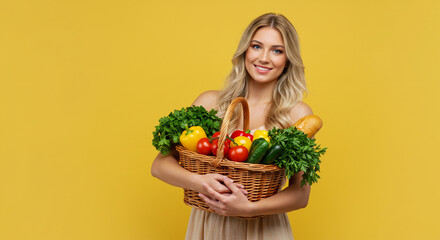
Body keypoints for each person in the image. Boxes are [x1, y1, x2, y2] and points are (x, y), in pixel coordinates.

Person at [151, 13, 313, 240]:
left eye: (277, 50)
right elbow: (159, 165)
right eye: (257, 46)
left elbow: (300, 195)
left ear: (288, 60)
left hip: (265, 228)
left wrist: (248, 209)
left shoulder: (297, 114)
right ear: (245, 50)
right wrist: (200, 182)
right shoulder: (209, 103)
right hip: (209, 224)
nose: (264, 58)